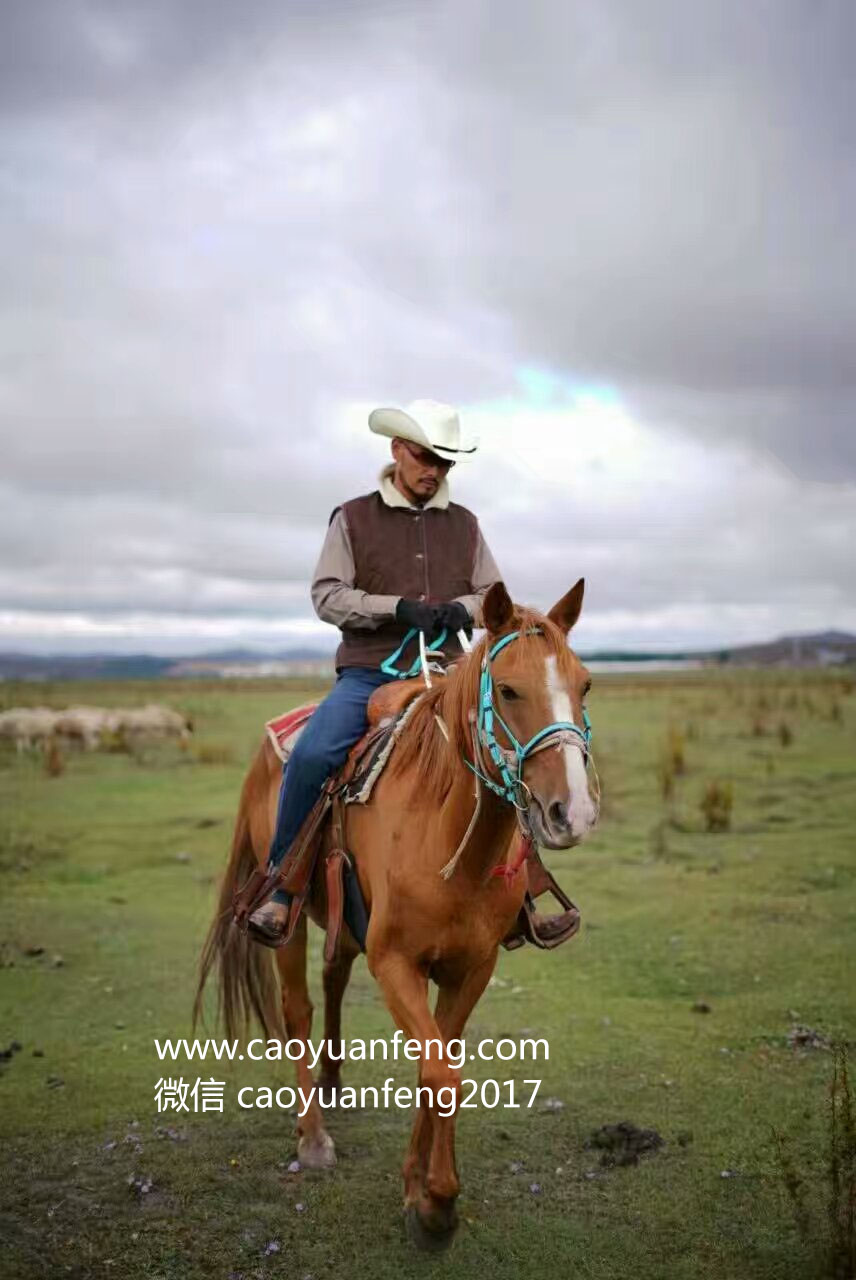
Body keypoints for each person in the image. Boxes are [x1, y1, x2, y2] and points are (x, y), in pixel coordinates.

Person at [248, 399, 503, 944]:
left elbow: (492, 596)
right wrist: (395, 608)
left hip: (450, 676)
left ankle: (521, 891)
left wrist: (466, 609)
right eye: (423, 457)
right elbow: (327, 596)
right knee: (314, 754)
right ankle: (283, 887)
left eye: (444, 462)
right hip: (370, 674)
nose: (432, 471)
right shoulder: (353, 517)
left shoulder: (466, 525)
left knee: (512, 750)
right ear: (396, 450)